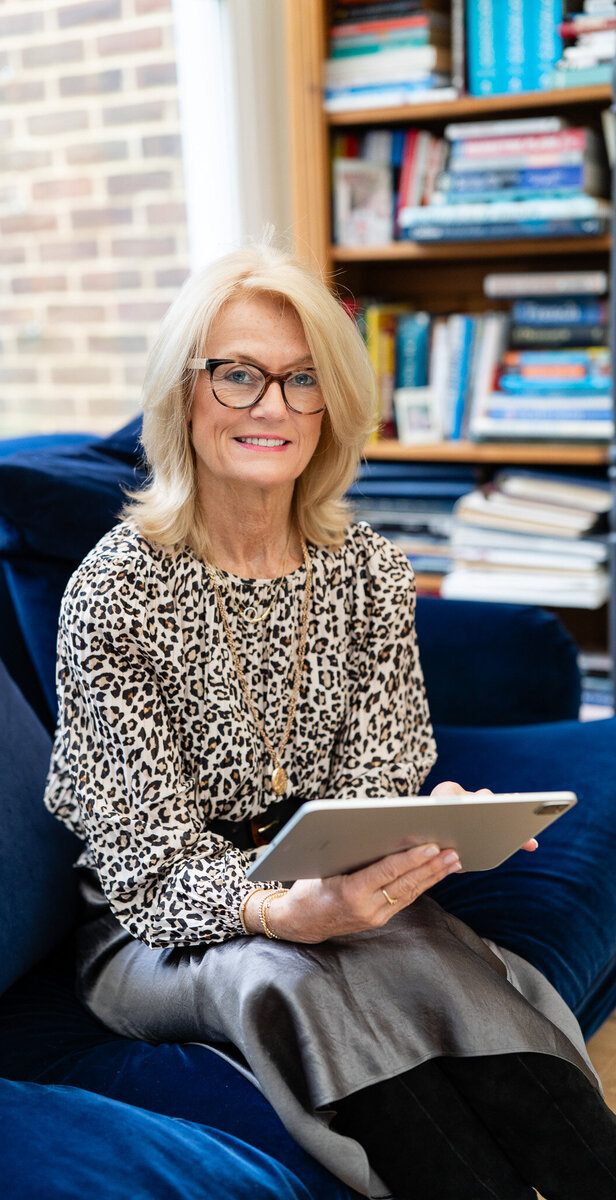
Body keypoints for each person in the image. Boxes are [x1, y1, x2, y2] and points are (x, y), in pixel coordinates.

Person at [44, 241, 616, 1200]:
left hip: (321, 873)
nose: (272, 405)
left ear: (331, 404)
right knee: (287, 978)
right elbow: (145, 866)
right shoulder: (113, 592)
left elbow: (375, 779)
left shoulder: (368, 570)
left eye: (302, 379)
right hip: (162, 925)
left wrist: (427, 830)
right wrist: (281, 909)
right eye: (239, 375)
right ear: (184, 394)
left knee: (435, 953)